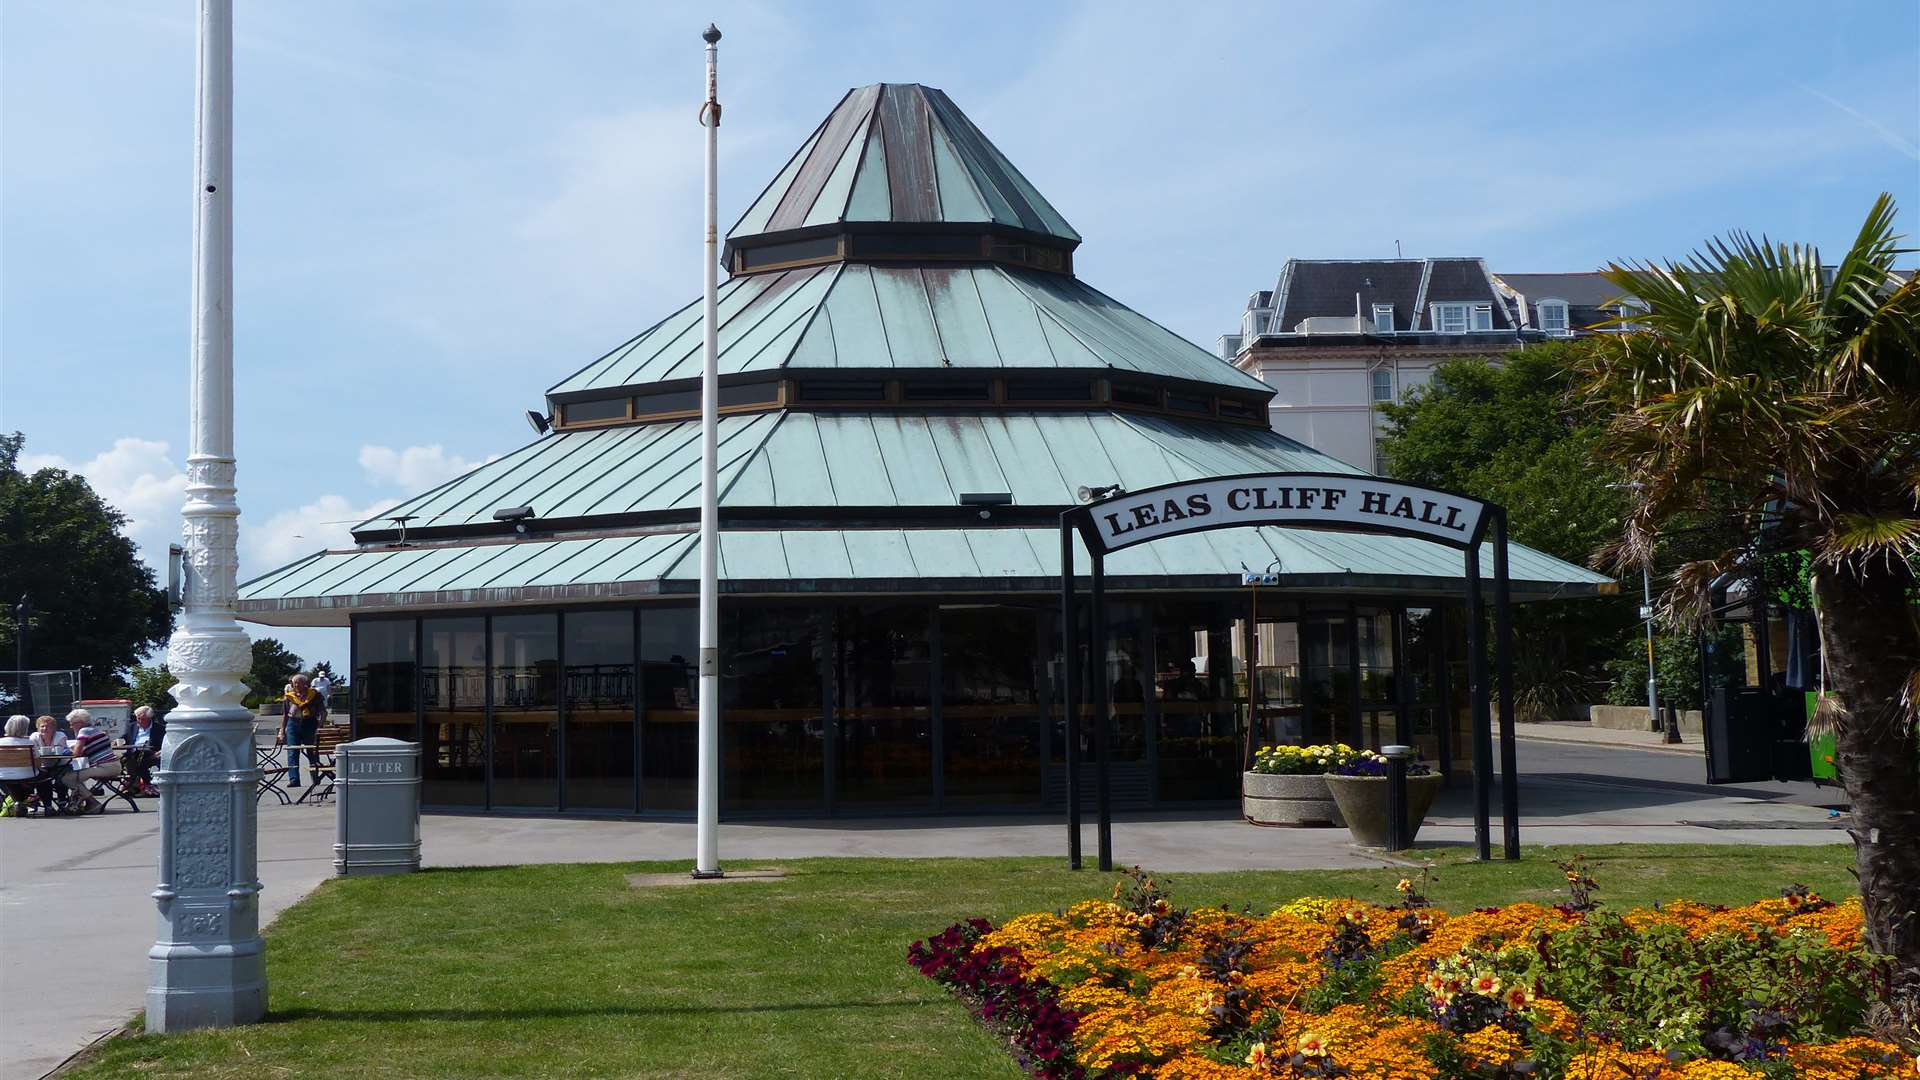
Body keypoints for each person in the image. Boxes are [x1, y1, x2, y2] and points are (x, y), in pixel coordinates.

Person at [62, 708, 121, 814]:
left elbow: (77, 753)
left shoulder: (84, 731)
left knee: (67, 778)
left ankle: (93, 803)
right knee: (76, 777)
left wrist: (67, 750)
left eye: (72, 724)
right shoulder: (96, 730)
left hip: (105, 767)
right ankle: (83, 802)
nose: (71, 727)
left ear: (80, 722)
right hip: (114, 766)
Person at [282, 673, 327, 788]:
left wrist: (320, 726)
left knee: (312, 752)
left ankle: (315, 778)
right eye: (294, 683)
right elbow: (285, 715)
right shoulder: (289, 696)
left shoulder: (314, 695)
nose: (296, 685)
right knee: (292, 752)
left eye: (299, 682)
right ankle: (294, 780)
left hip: (309, 723)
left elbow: (323, 712)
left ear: (305, 683)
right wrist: (282, 730)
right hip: (293, 724)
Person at [0, 714, 48, 814]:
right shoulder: (29, 743)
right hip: (27, 775)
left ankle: (18, 802)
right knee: (45, 777)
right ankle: (48, 806)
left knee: (12, 781)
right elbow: (38, 763)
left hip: (3, 776)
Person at [121, 705, 165, 795]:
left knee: (141, 762)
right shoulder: (132, 727)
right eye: (138, 718)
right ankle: (138, 785)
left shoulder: (159, 729)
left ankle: (135, 784)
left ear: (149, 718)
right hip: (133, 753)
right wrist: (117, 741)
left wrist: (161, 751)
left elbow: (164, 743)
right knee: (130, 760)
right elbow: (123, 738)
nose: (139, 721)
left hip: (152, 753)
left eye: (142, 719)